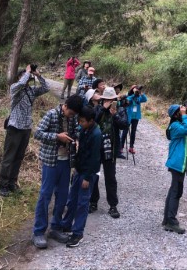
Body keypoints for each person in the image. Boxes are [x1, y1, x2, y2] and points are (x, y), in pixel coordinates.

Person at [32, 95, 83, 249]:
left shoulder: (73, 118)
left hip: (66, 162)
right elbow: (37, 133)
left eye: (74, 115)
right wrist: (56, 136)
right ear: (65, 106)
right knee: (45, 195)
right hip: (50, 161)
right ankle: (38, 232)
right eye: (71, 113)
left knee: (62, 196)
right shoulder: (51, 114)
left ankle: (56, 227)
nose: (72, 116)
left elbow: (76, 132)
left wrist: (77, 140)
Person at [0, 65, 50, 197]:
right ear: (20, 77)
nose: (26, 79)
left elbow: (46, 88)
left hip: (26, 128)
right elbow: (20, 83)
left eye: (27, 76)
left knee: (19, 157)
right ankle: (2, 185)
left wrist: (38, 75)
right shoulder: (15, 89)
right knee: (9, 157)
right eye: (24, 76)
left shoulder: (31, 91)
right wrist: (26, 72)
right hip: (14, 127)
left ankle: (12, 182)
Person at [61, 106, 101, 248]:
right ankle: (66, 225)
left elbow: (95, 159)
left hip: (88, 173)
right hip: (79, 169)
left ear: (91, 121)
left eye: (83, 121)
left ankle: (78, 233)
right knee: (72, 199)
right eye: (79, 121)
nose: (80, 123)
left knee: (82, 203)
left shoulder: (96, 134)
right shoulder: (84, 130)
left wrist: (88, 178)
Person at [162, 103, 187, 234]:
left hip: (181, 163)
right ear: (176, 114)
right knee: (176, 192)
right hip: (177, 164)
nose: (182, 111)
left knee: (174, 190)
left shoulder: (183, 123)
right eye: (180, 110)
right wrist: (184, 116)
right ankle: (171, 221)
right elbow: (186, 130)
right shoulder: (174, 126)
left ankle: (167, 219)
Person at [89, 86, 127, 217]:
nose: (109, 101)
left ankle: (113, 205)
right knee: (94, 175)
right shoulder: (97, 108)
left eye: (112, 99)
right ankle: (93, 201)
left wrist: (115, 114)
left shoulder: (120, 109)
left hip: (110, 150)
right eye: (107, 99)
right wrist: (103, 109)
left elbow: (125, 124)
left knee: (110, 178)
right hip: (96, 149)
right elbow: (91, 122)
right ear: (103, 98)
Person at [120, 85, 147, 155]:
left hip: (136, 117)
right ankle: (121, 146)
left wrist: (140, 93)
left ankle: (131, 147)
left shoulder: (139, 97)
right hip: (129, 116)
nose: (137, 91)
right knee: (125, 131)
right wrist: (133, 95)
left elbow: (145, 99)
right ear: (132, 90)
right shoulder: (129, 96)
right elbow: (127, 101)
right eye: (135, 89)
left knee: (133, 132)